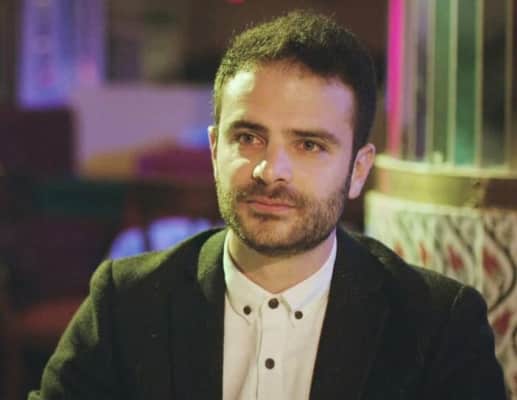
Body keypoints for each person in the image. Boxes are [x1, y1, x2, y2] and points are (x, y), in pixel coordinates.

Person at [29, 10, 506, 400]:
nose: (270, 170)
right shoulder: (125, 303)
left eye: (309, 145)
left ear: (359, 170)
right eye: (248, 137)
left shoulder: (438, 325)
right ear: (214, 151)